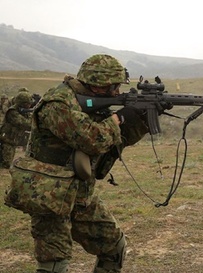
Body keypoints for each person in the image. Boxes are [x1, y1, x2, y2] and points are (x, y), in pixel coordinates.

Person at [6, 54, 149, 272]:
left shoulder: (91, 102)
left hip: (80, 194)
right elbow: (92, 139)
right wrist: (118, 118)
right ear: (100, 85)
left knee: (113, 246)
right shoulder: (59, 103)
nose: (118, 92)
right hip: (49, 194)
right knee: (54, 261)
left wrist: (141, 118)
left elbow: (114, 143)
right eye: (115, 86)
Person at [0, 91, 32, 168]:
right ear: (21, 103)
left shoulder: (23, 112)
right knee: (5, 165)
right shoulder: (12, 112)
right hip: (6, 141)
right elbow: (26, 124)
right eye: (27, 103)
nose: (29, 105)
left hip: (12, 141)